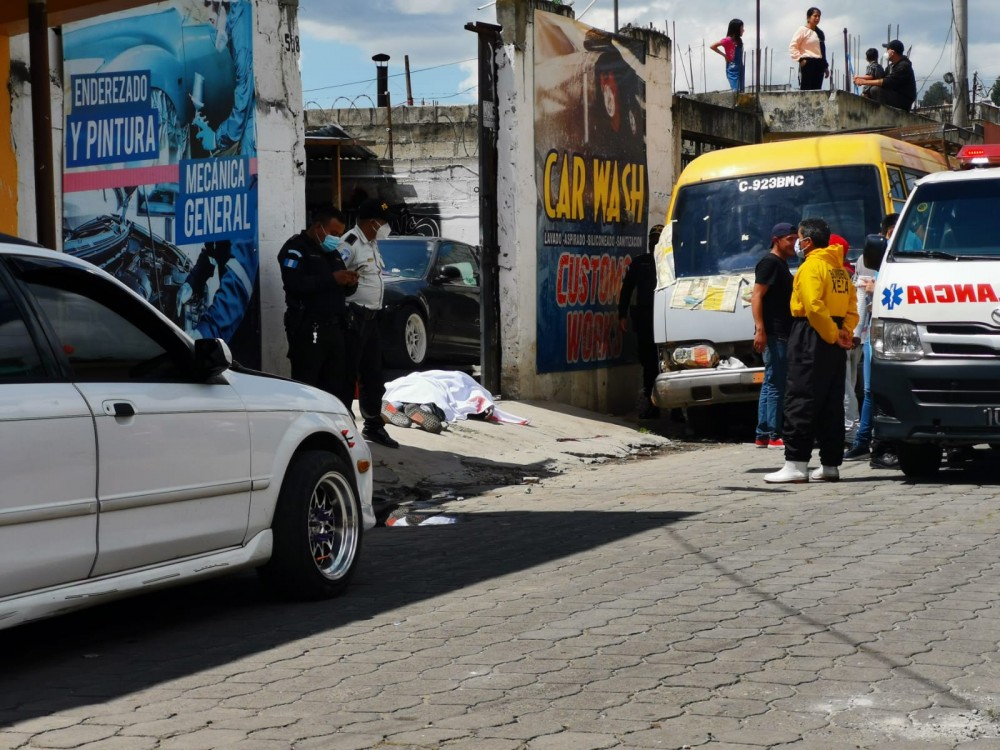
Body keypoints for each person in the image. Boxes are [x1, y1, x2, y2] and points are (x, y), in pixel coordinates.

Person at [765, 218, 858, 483]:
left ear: (807, 242)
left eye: (799, 237)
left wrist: (832, 334)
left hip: (810, 334)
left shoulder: (811, 267)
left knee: (800, 398)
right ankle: (830, 464)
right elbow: (852, 307)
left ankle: (796, 464)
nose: (797, 242)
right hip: (835, 334)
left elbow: (813, 306)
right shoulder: (839, 270)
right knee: (831, 401)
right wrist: (843, 332)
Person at [277, 209, 358, 407]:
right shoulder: (296, 249)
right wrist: (332, 279)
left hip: (335, 327)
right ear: (318, 227)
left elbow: (339, 287)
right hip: (308, 327)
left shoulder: (332, 253)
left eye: (339, 234)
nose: (336, 238)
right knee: (307, 385)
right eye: (333, 233)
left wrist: (349, 282)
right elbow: (294, 284)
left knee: (335, 385)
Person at [340, 198, 400, 449]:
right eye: (383, 222)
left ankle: (373, 425)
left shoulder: (372, 244)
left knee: (373, 375)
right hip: (354, 318)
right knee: (346, 375)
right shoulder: (350, 243)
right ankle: (343, 427)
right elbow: (337, 277)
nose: (386, 227)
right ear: (371, 222)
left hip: (372, 319)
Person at [845, 213, 900, 469]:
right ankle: (865, 443)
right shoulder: (869, 260)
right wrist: (856, 333)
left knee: (879, 391)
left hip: (898, 333)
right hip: (873, 333)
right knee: (870, 391)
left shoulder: (909, 256)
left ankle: (871, 442)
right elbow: (860, 298)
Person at [751, 222, 797, 449]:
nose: (794, 244)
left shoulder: (780, 264)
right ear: (777, 240)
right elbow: (756, 296)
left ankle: (762, 434)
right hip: (774, 333)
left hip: (779, 332)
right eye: (790, 239)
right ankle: (773, 434)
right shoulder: (770, 263)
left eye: (796, 239)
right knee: (776, 383)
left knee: (771, 381)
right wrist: (760, 329)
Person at [619, 225, 664, 420]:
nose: (654, 243)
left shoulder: (672, 262)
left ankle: (677, 410)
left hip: (666, 319)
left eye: (658, 239)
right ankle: (652, 404)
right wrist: (622, 315)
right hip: (646, 319)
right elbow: (627, 289)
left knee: (669, 363)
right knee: (649, 363)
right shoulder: (640, 263)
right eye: (652, 239)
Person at [828, 234, 861, 444]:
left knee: (845, 385)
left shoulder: (834, 273)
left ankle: (850, 428)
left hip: (841, 336)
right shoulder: (847, 272)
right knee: (850, 384)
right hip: (851, 334)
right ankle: (852, 427)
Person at [852, 40, 916, 111]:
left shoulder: (903, 66)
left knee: (875, 90)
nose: (886, 53)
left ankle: (881, 112)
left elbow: (887, 81)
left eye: (887, 50)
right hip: (894, 95)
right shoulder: (890, 67)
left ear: (892, 52)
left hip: (903, 100)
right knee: (870, 90)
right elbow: (881, 79)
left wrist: (864, 82)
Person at [789, 7, 829, 91]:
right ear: (808, 17)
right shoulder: (802, 30)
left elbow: (822, 51)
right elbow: (793, 46)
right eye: (815, 16)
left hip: (819, 64)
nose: (817, 18)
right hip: (807, 63)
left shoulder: (820, 33)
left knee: (817, 91)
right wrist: (800, 59)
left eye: (819, 16)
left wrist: (825, 66)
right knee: (806, 90)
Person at [710, 19, 745, 93]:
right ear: (736, 29)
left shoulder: (739, 41)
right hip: (733, 67)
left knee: (741, 90)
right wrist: (724, 55)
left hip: (740, 67)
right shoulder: (727, 40)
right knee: (735, 90)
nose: (743, 30)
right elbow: (713, 46)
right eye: (742, 28)